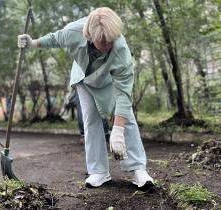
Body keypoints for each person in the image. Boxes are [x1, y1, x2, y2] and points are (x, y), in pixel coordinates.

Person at [18, 7, 154, 190]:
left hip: (109, 79)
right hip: (83, 78)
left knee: (126, 117)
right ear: (90, 36)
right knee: (91, 119)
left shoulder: (120, 49)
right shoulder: (73, 32)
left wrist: (118, 131)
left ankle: (138, 169)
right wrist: (33, 43)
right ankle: (99, 172)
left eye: (111, 41)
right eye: (103, 42)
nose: (108, 46)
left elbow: (123, 93)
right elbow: (54, 38)